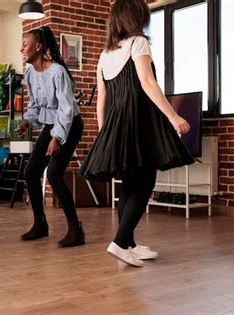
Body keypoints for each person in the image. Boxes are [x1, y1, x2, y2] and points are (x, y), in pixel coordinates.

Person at [79, 0, 194, 267]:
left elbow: (102, 99)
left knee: (129, 183)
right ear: (136, 17)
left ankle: (129, 243)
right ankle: (119, 242)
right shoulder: (138, 43)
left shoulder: (104, 54)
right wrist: (173, 116)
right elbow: (147, 82)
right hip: (139, 120)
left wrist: (104, 133)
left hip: (117, 123)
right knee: (144, 183)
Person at [16, 26, 85, 248]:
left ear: (38, 46)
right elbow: (35, 104)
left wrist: (57, 137)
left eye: (25, 45)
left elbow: (65, 109)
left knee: (54, 175)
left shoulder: (57, 72)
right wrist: (27, 120)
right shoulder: (29, 73)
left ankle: (76, 230)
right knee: (31, 172)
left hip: (70, 125)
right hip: (50, 124)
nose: (21, 49)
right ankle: (40, 224)